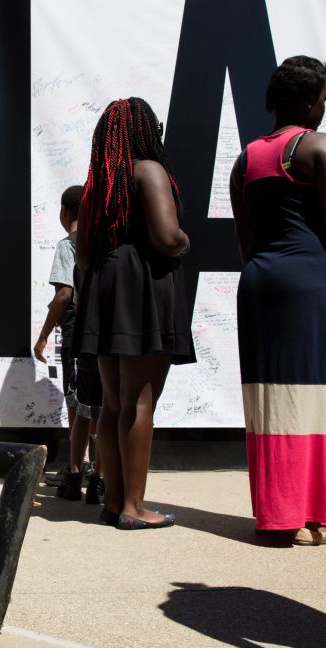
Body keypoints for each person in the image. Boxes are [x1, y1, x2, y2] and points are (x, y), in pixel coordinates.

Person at [228, 57, 326, 546]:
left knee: (273, 398)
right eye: (323, 99)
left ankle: (279, 514)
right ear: (309, 100)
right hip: (309, 281)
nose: (325, 107)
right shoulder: (317, 147)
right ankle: (321, 510)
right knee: (320, 393)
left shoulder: (246, 159)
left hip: (261, 283)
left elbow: (246, 238)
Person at [73, 97, 195, 530]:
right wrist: (184, 240)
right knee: (141, 402)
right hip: (142, 286)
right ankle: (135, 507)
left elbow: (83, 256)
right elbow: (165, 236)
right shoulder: (149, 170)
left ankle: (114, 502)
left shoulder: (98, 184)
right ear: (145, 131)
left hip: (104, 287)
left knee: (112, 403)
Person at [34, 184, 102, 503]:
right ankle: (95, 470)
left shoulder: (68, 245)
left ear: (65, 212)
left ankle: (78, 468)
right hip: (102, 331)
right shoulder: (101, 243)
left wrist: (44, 334)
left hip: (75, 331)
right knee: (97, 402)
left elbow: (63, 295)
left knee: (76, 402)